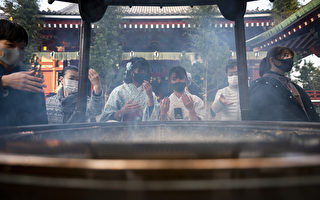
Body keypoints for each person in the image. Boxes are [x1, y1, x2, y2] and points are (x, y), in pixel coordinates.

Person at [249, 46, 319, 122]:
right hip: (284, 131)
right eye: (286, 55)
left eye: (291, 57)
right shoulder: (261, 85)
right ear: (272, 60)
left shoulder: (291, 84)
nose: (290, 59)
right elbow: (265, 113)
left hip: (304, 131)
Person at [0, 19, 48, 126]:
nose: (16, 51)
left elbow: (41, 122)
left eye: (21, 47)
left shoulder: (29, 80)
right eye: (10, 45)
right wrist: (3, 81)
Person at [100, 57, 159, 122]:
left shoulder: (150, 94)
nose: (143, 74)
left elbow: (156, 118)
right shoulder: (118, 91)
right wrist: (122, 111)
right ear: (131, 72)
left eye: (145, 72)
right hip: (121, 131)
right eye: (139, 71)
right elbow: (105, 118)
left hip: (144, 131)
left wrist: (150, 97)